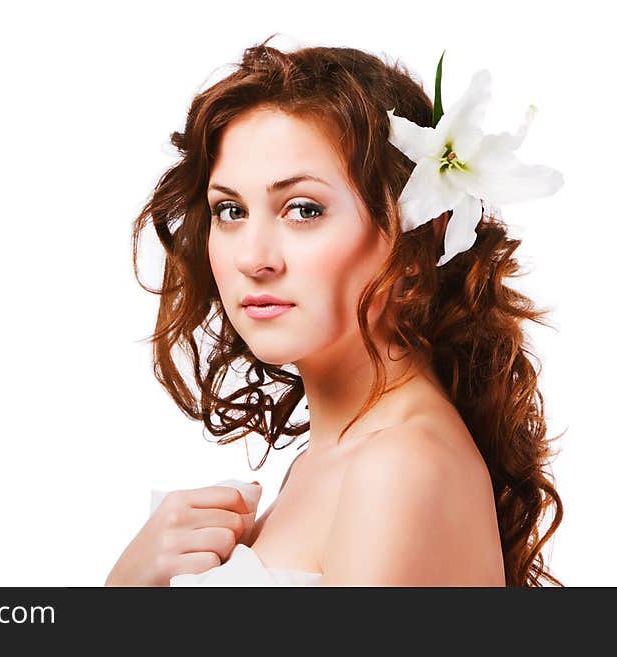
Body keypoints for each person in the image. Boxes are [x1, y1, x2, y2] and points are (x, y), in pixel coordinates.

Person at [107, 35, 564, 587]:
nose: (252, 257)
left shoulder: (396, 467)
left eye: (303, 209)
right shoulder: (334, 458)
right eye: (230, 210)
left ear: (418, 244)